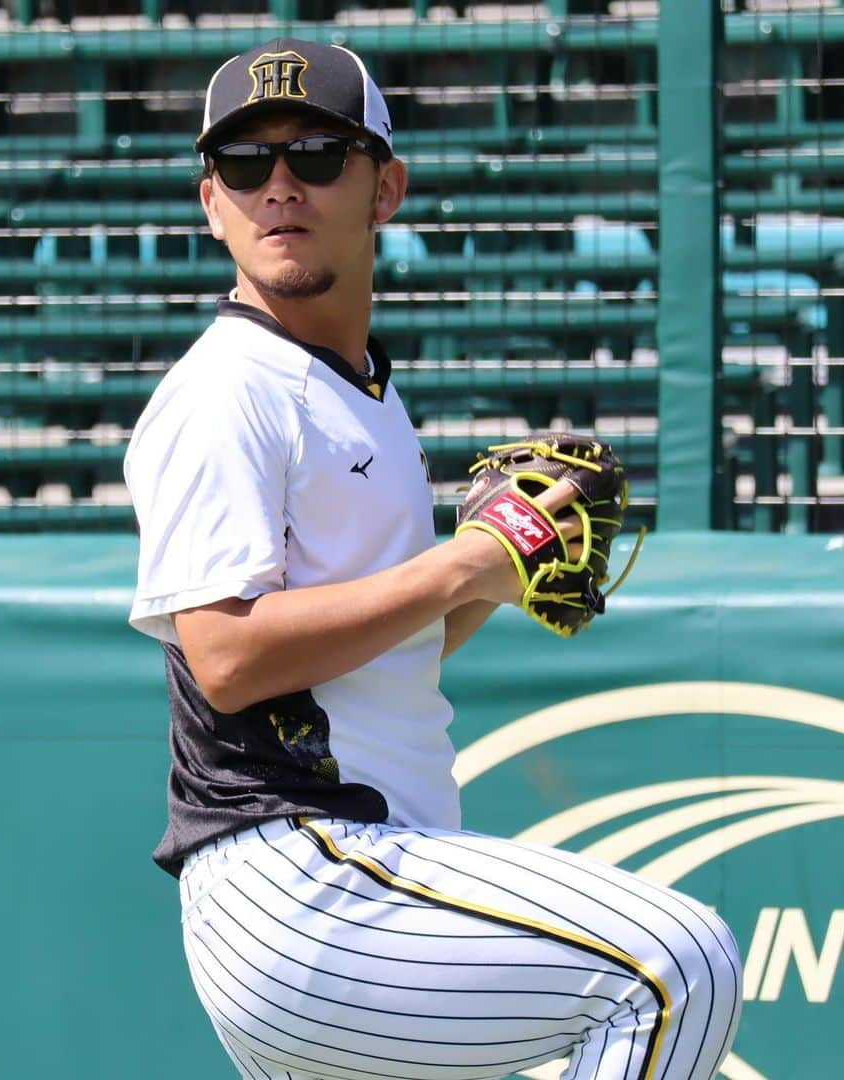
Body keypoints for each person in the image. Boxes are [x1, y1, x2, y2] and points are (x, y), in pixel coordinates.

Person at [123, 37, 741, 1080]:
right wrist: (469, 563)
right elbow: (226, 658)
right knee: (676, 967)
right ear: (209, 201)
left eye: (318, 154)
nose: (279, 186)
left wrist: (495, 577)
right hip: (302, 871)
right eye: (244, 164)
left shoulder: (358, 390)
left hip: (355, 866)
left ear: (386, 189)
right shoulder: (229, 388)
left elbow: (376, 655)